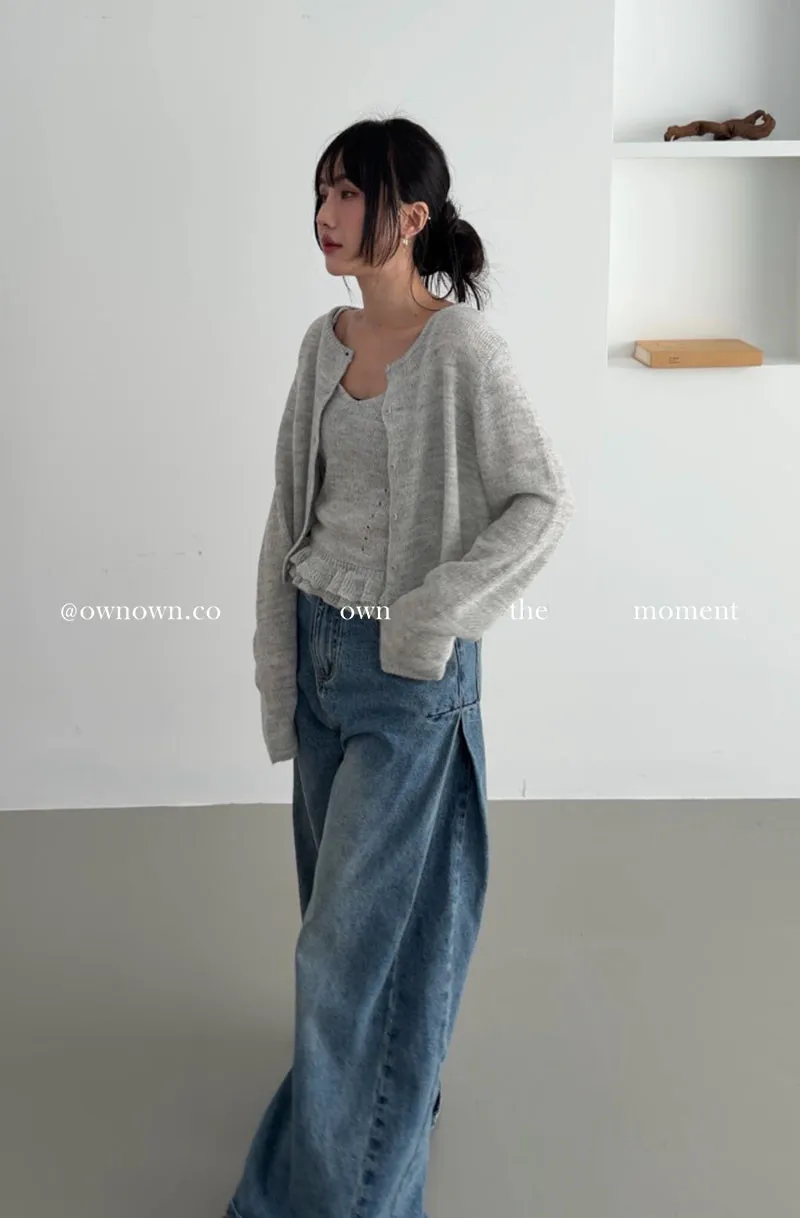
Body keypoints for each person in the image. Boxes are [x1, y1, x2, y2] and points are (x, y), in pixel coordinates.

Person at [226, 113, 574, 1218]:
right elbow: (291, 509)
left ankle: (320, 1199)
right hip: (321, 663)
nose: (325, 215)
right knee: (347, 943)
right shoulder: (321, 342)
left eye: (349, 194)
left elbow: (540, 501)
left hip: (405, 684)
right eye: (322, 191)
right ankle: (384, 1109)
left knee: (342, 961)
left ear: (410, 217)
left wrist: (429, 619)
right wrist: (281, 661)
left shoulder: (463, 350)